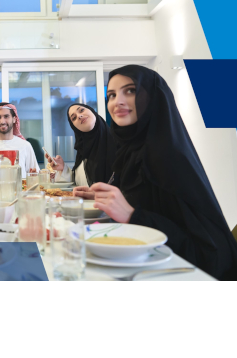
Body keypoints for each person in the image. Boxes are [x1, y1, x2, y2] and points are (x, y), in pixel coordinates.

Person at [88, 65, 237, 280]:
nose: (117, 101)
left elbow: (208, 254)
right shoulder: (131, 151)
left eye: (130, 90)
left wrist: (132, 215)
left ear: (153, 97)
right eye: (111, 95)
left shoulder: (164, 156)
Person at [46, 104, 116, 197]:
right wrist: (63, 169)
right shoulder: (83, 152)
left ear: (92, 111)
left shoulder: (119, 145)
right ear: (74, 127)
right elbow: (80, 184)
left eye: (82, 110)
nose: (79, 116)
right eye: (74, 118)